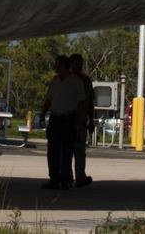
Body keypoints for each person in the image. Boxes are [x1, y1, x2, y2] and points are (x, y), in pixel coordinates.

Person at [39, 54, 85, 189]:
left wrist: (80, 123)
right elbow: (48, 99)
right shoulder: (54, 81)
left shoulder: (76, 82)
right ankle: (54, 178)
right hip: (55, 118)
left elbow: (81, 104)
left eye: (57, 64)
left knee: (66, 151)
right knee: (52, 150)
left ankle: (65, 180)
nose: (55, 67)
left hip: (69, 119)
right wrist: (42, 114)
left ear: (64, 66)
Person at [69, 53, 96, 188]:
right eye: (75, 64)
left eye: (80, 64)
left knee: (79, 150)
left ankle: (80, 176)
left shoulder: (86, 80)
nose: (78, 67)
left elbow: (89, 102)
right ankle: (67, 176)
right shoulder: (65, 79)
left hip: (81, 120)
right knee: (66, 150)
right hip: (67, 119)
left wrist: (91, 120)